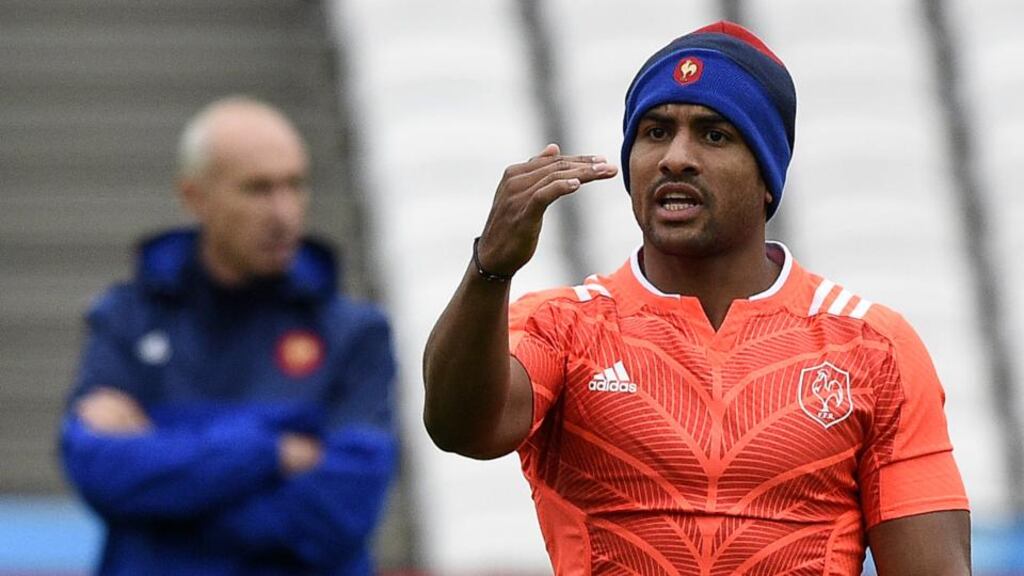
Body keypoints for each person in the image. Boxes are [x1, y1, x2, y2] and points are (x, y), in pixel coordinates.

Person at [423, 21, 971, 575]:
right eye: (656, 132)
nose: (675, 158)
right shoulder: (561, 327)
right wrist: (489, 268)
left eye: (714, 135)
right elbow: (462, 428)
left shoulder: (873, 345)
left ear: (767, 176)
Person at [60, 96, 397, 576]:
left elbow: (338, 514)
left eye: (295, 185)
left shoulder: (355, 334)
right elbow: (97, 471)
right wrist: (273, 452)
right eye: (258, 189)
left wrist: (162, 472)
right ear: (195, 197)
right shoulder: (126, 318)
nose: (284, 213)